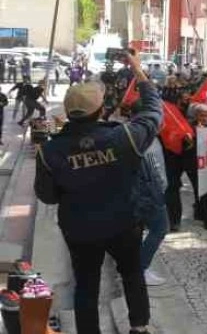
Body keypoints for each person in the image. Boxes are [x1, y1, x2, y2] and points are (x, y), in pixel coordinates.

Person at [34, 52, 161, 334]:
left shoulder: (49, 151)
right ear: (100, 109)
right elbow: (154, 111)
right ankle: (139, 327)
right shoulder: (123, 136)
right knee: (131, 275)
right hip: (123, 223)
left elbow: (48, 196)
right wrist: (138, 72)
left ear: (68, 113)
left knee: (86, 285)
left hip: (80, 229)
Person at [129, 100, 169, 287]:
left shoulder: (133, 133)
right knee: (160, 228)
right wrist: (160, 189)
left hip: (140, 193)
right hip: (150, 193)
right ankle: (141, 269)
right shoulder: (145, 139)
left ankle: (135, 267)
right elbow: (153, 167)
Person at [189, 104, 207, 230]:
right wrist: (196, 134)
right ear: (196, 116)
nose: (205, 118)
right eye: (202, 115)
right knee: (201, 190)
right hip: (194, 164)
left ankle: (198, 206)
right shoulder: (189, 127)